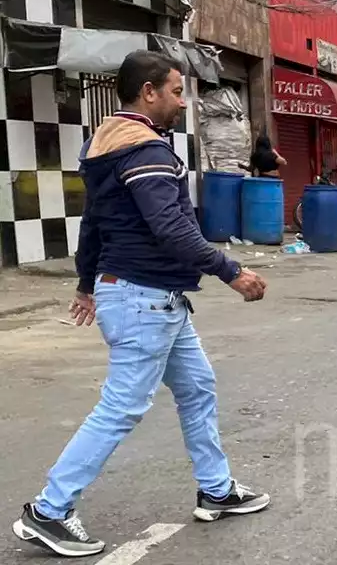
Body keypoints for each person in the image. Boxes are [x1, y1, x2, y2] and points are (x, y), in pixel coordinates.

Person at [12, 51, 269, 559]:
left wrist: (87, 283)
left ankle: (216, 490)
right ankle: (49, 510)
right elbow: (170, 227)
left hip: (149, 297)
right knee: (122, 406)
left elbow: (95, 225)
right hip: (143, 297)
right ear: (148, 92)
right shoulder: (147, 151)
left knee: (197, 388)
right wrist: (231, 271)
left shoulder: (105, 145)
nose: (181, 101)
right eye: (176, 91)